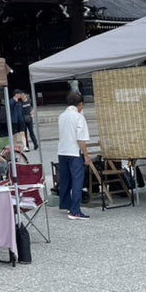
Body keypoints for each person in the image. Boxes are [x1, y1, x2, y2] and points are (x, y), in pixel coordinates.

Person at [57, 91, 91, 220]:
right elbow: (80, 139)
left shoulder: (62, 115)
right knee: (77, 181)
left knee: (65, 180)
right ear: (80, 104)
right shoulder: (78, 117)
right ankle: (75, 210)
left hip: (62, 151)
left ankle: (67, 204)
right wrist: (86, 156)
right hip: (74, 152)